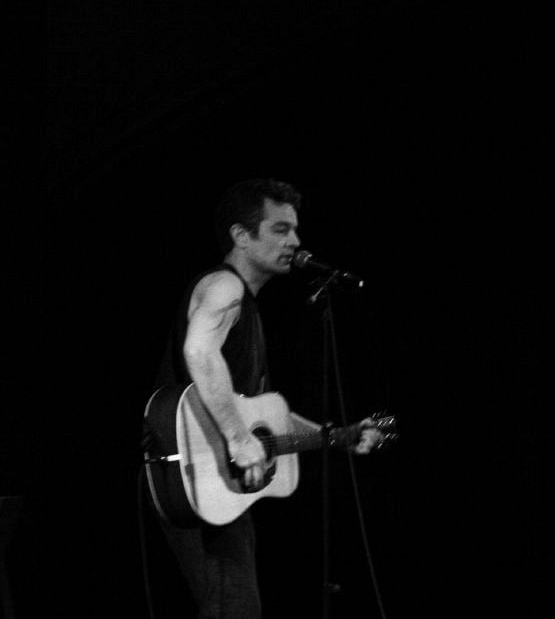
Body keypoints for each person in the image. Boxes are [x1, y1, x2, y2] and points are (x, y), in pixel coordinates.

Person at [147, 177, 380, 618]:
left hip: (221, 482)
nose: (295, 241)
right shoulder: (224, 286)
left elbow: (264, 417)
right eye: (280, 229)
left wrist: (339, 435)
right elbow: (199, 352)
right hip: (194, 472)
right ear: (241, 235)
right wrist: (238, 439)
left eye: (295, 229)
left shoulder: (248, 306)